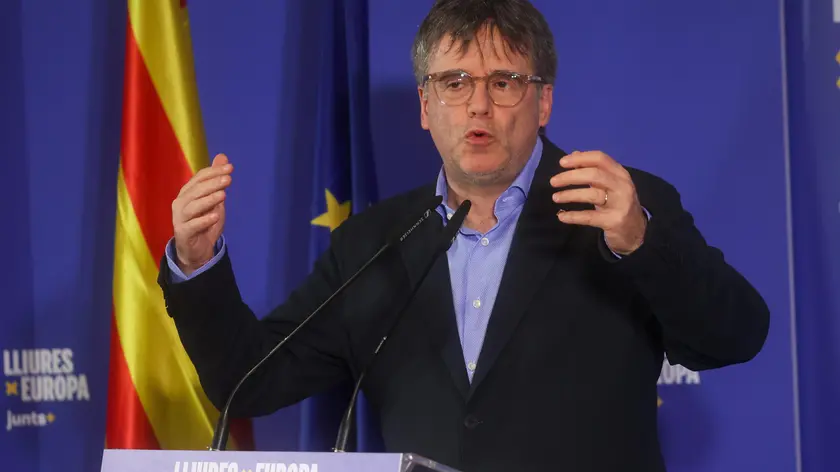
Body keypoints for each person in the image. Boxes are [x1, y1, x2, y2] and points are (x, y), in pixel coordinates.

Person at [158, 0, 770, 470]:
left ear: (544, 101)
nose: (478, 105)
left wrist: (640, 240)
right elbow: (249, 377)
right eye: (454, 83)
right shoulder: (373, 242)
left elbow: (736, 336)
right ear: (426, 106)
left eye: (504, 82)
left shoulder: (619, 208)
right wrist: (196, 261)